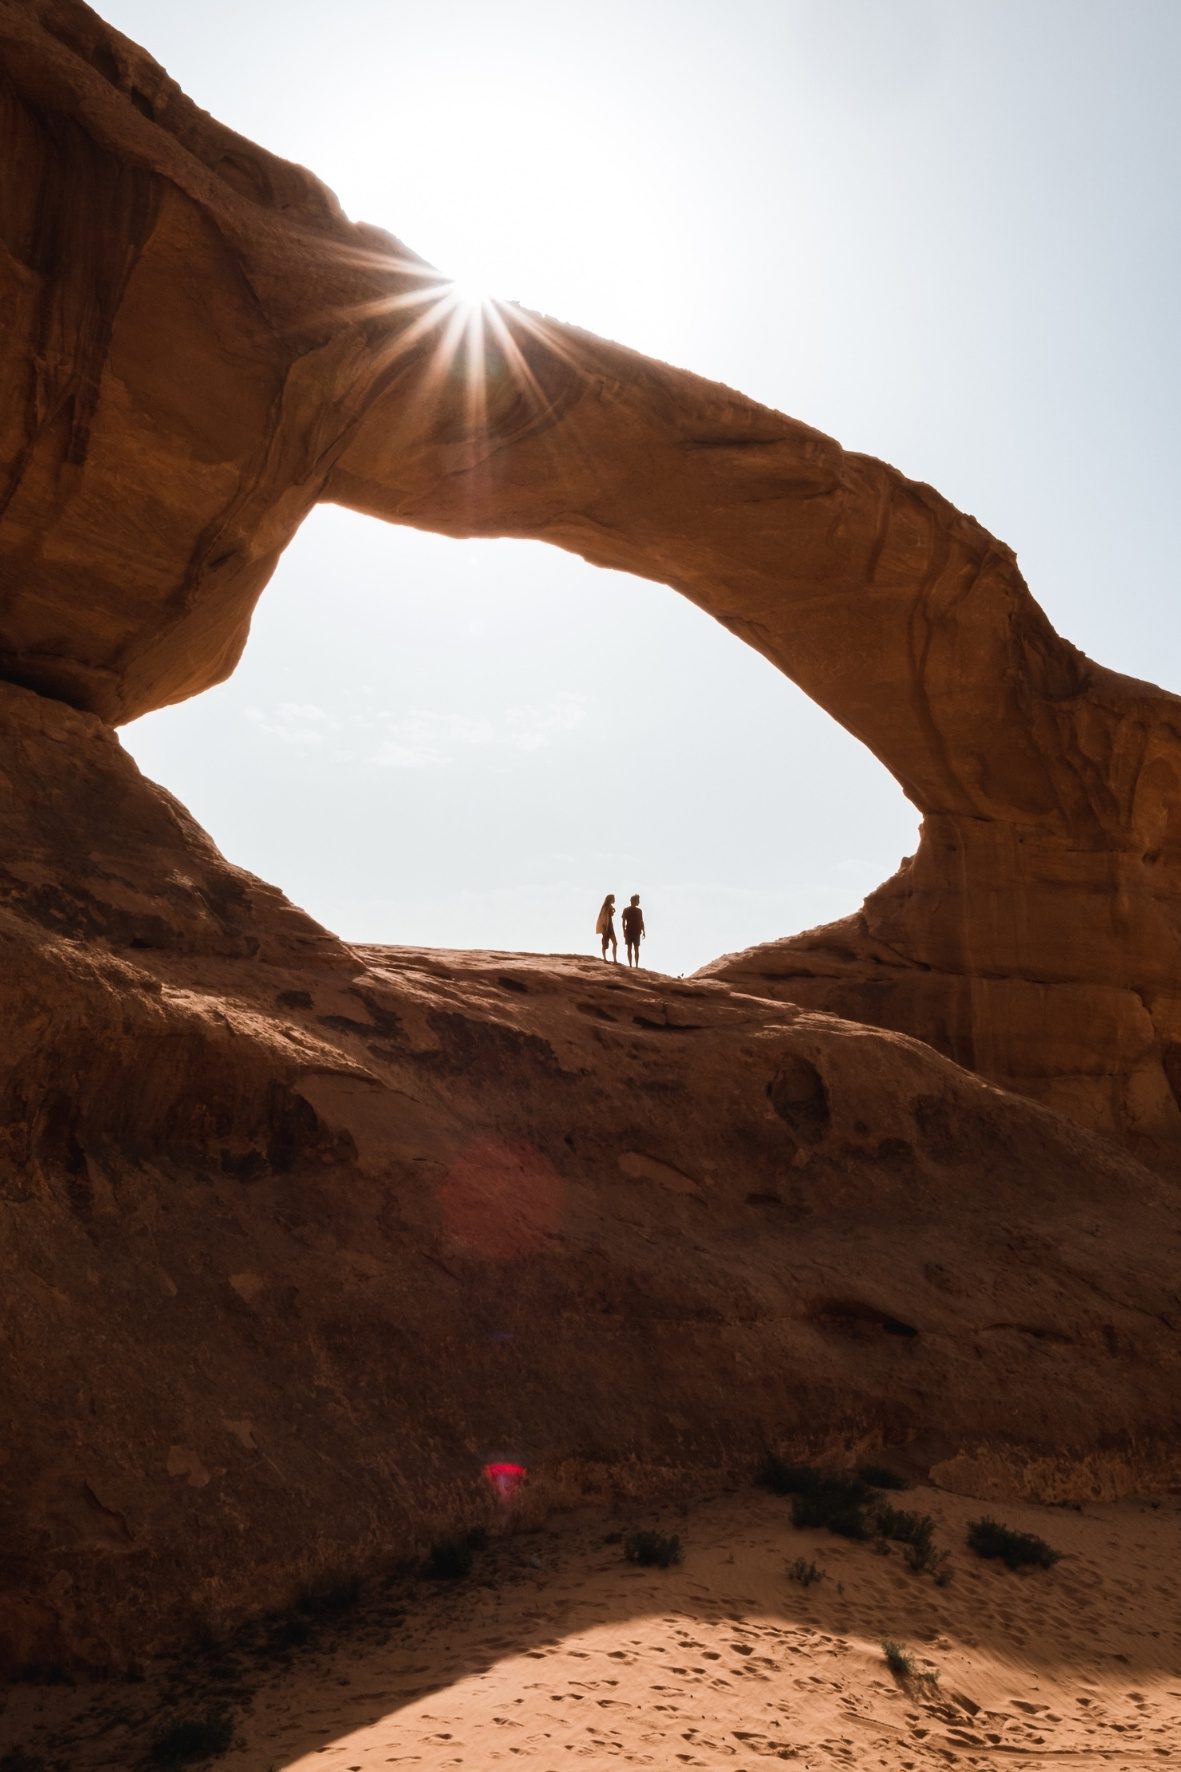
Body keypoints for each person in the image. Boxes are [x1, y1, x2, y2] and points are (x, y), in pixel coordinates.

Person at [621, 893, 645, 967]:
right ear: (634, 901)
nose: (639, 902)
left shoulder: (627, 910)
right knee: (635, 949)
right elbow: (641, 921)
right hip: (634, 931)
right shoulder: (638, 910)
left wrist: (624, 931)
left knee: (630, 948)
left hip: (630, 931)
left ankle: (632, 965)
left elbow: (623, 922)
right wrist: (644, 931)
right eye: (638, 900)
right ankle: (635, 965)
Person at [595, 893, 617, 961]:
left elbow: (610, 915)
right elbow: (603, 918)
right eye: (613, 898)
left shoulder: (609, 907)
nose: (614, 900)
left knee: (615, 943)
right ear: (610, 899)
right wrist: (604, 928)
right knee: (605, 944)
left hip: (610, 927)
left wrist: (613, 910)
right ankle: (605, 959)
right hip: (606, 927)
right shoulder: (605, 907)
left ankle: (614, 960)